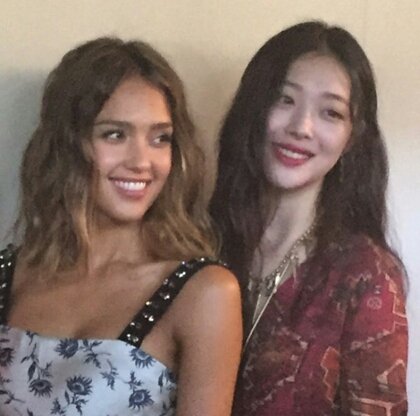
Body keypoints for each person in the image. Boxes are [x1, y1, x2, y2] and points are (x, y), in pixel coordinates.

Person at [0, 37, 242, 416]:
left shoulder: (203, 292)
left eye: (160, 138)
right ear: (67, 145)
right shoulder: (8, 274)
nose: (141, 161)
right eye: (115, 134)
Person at [210, 21, 408, 415]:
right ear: (254, 108)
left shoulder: (365, 275)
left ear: (352, 137)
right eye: (284, 100)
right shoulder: (198, 240)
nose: (301, 127)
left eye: (331, 112)